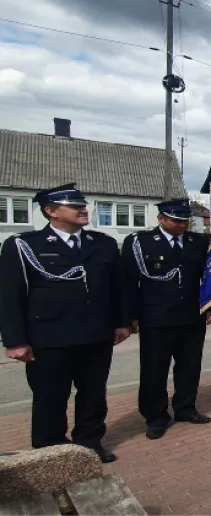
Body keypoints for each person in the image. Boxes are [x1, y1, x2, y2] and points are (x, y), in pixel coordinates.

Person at [0, 184, 130, 463]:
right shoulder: (24, 245)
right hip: (49, 337)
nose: (83, 209)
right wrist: (14, 340)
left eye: (83, 204)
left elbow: (116, 289)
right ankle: (52, 451)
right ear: (50, 211)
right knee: (50, 397)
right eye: (74, 205)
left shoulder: (103, 243)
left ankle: (89, 444)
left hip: (96, 334)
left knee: (94, 395)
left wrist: (122, 323)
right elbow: (10, 296)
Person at [122, 198, 211, 440]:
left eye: (185, 220)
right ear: (161, 219)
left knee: (189, 366)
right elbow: (127, 283)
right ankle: (156, 416)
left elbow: (209, 276)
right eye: (176, 220)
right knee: (155, 369)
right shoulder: (139, 242)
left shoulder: (198, 242)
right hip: (156, 317)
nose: (183, 224)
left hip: (191, 315)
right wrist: (130, 317)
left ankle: (185, 408)